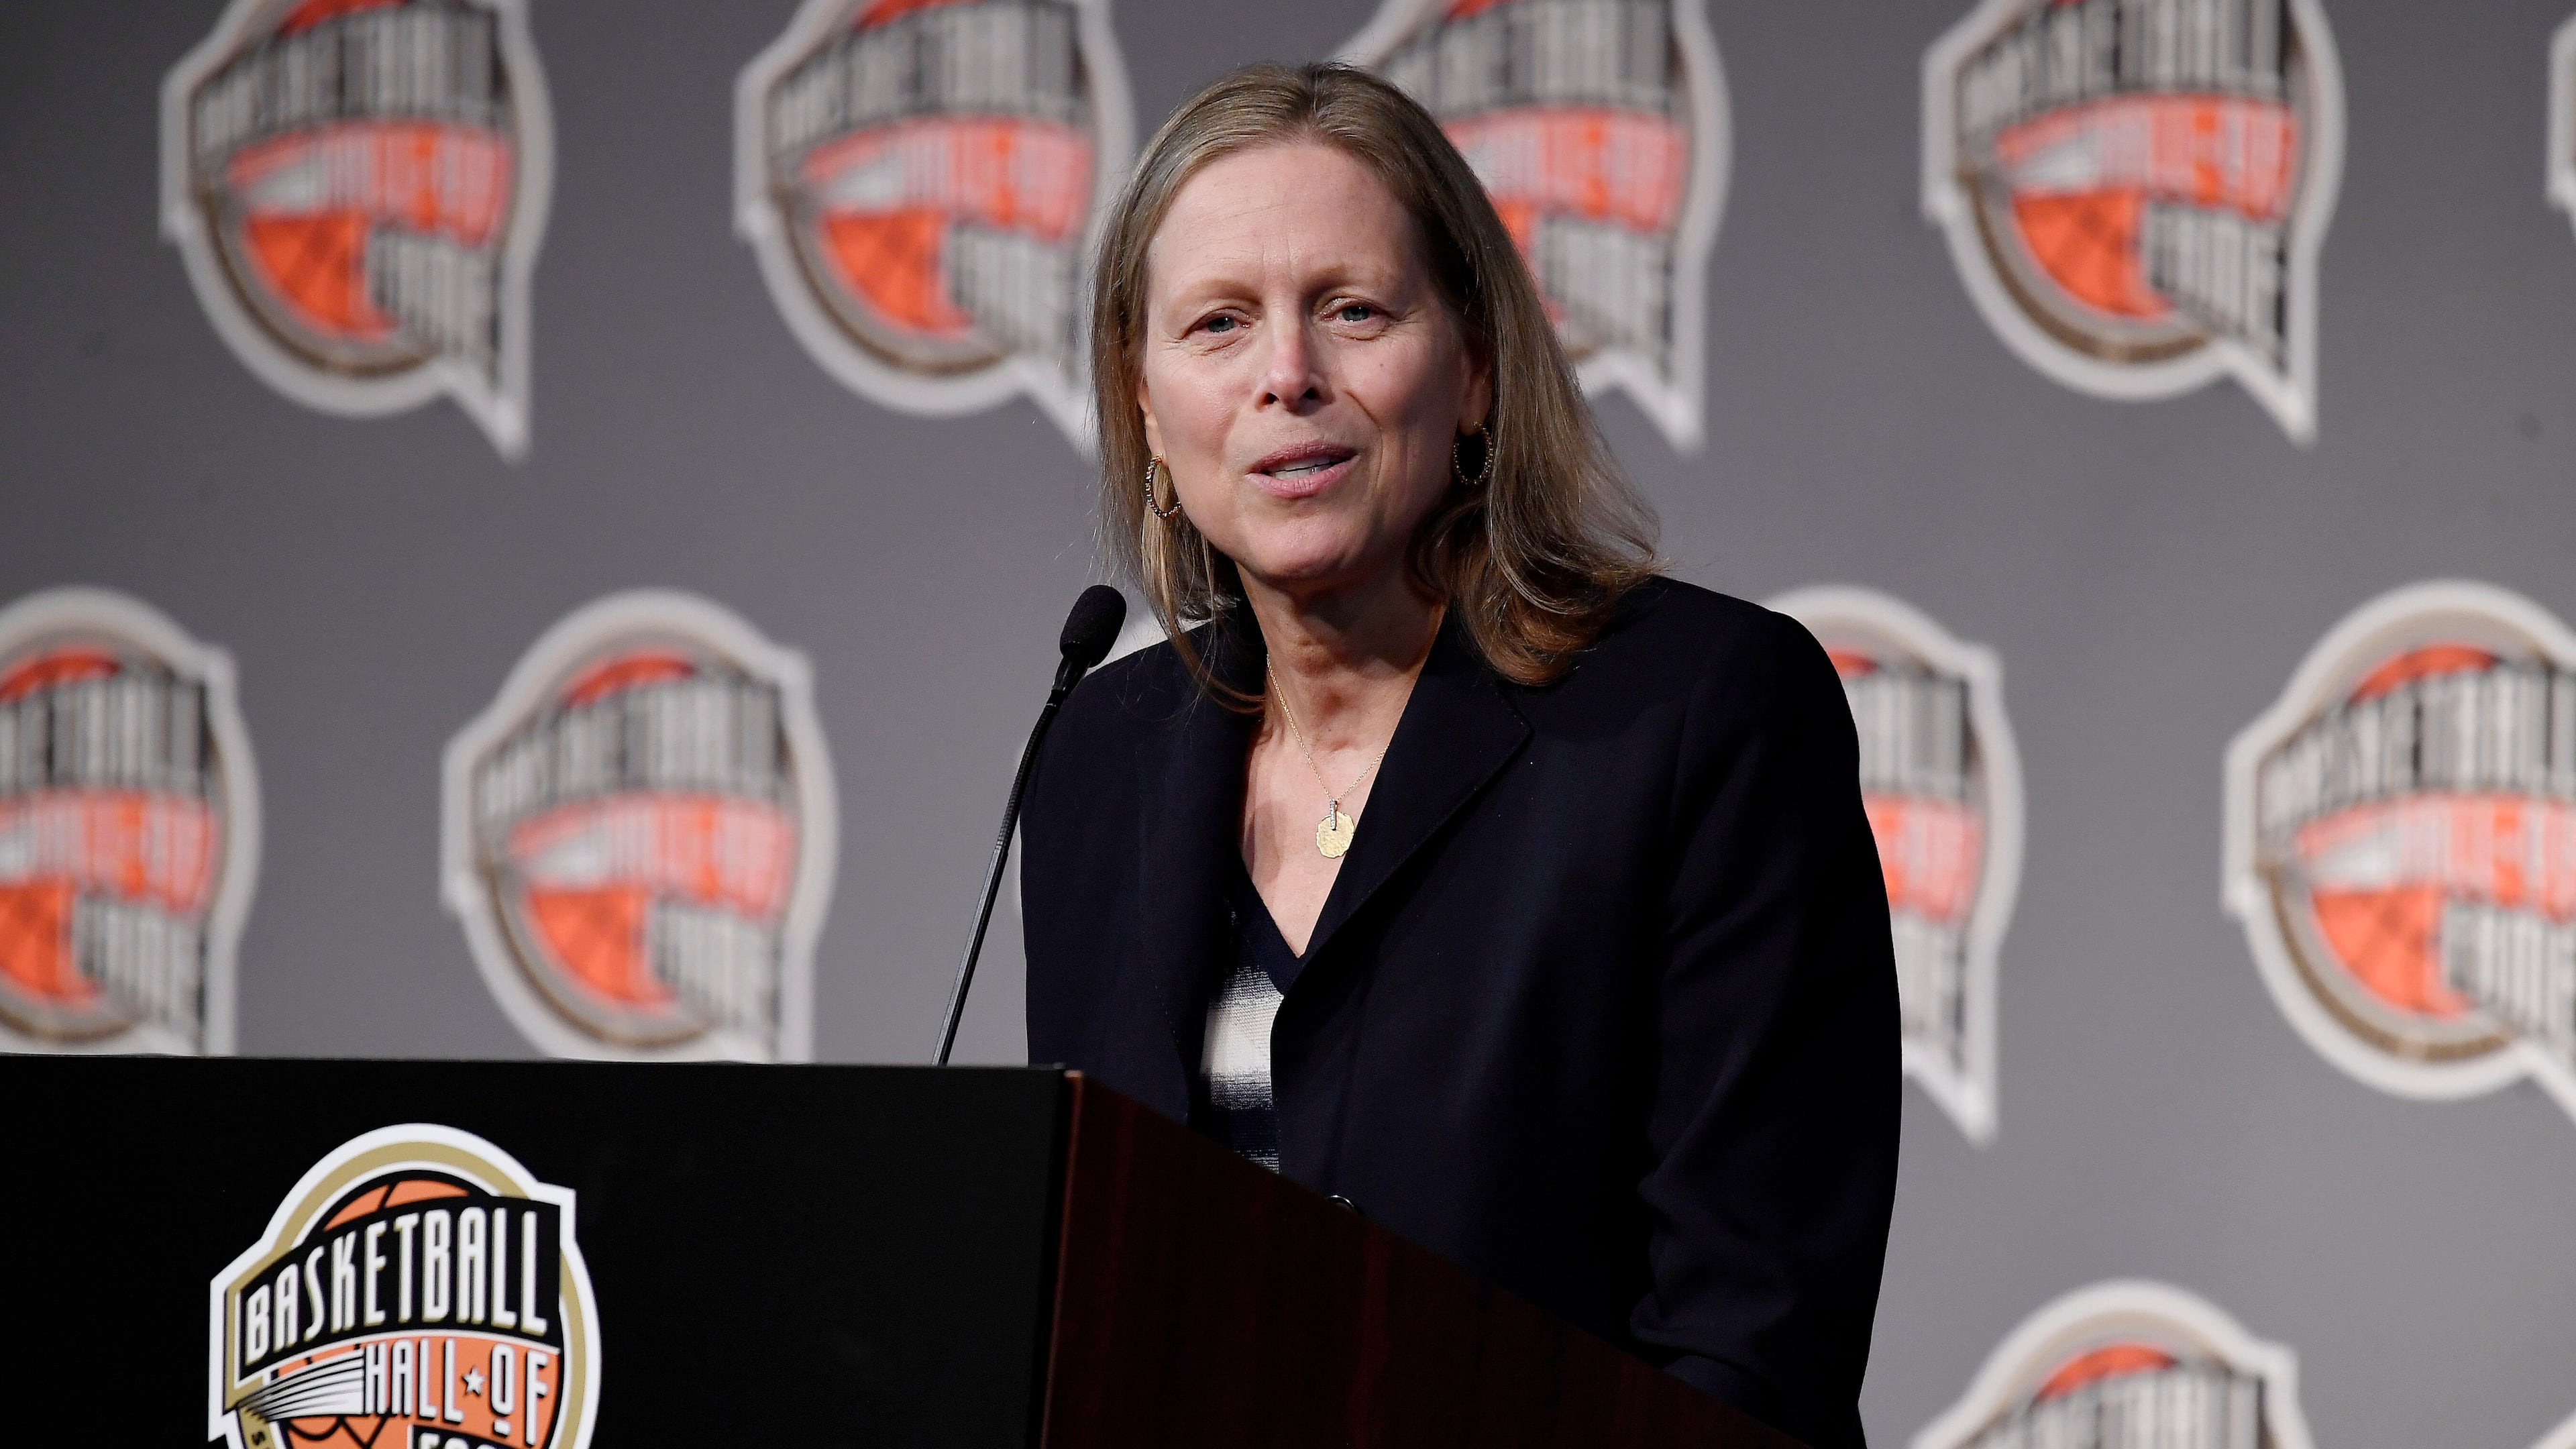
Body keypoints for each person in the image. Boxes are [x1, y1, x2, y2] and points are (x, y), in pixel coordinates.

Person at [1019, 62, 1897, 1449]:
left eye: (1352, 310)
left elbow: (1751, 1347)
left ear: (1475, 364)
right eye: (1218, 325)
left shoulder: (1700, 717)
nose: (1286, 376)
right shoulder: (1100, 759)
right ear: (1143, 405)